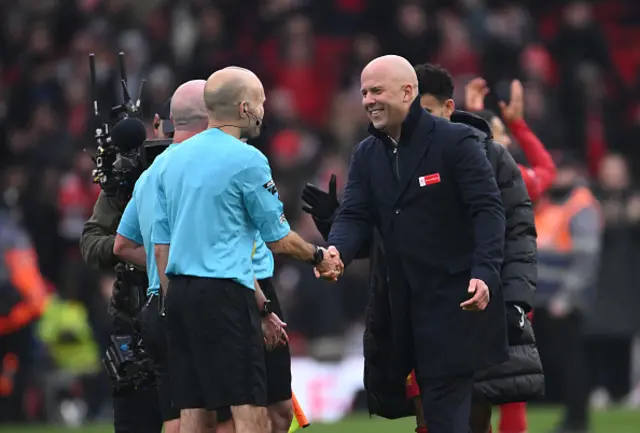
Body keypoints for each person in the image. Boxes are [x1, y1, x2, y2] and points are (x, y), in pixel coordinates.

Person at [303, 63, 544, 433]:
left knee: (447, 415)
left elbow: (490, 210)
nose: (368, 100)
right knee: (437, 417)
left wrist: (485, 273)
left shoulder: (456, 142)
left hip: (458, 303)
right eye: (365, 92)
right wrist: (336, 251)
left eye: (377, 91)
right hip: (399, 310)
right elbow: (354, 215)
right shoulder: (368, 153)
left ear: (406, 92)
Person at [152, 66, 341, 433]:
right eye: (260, 102)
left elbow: (163, 245)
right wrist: (320, 257)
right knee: (249, 405)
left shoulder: (168, 162)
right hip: (225, 294)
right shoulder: (247, 159)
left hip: (178, 295)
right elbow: (278, 238)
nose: (263, 111)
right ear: (243, 108)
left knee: (195, 409)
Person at [114, 81, 294, 433]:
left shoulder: (153, 172)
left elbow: (121, 245)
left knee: (184, 415)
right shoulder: (229, 162)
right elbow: (235, 244)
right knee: (246, 412)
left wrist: (170, 270)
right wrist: (263, 304)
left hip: (166, 298)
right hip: (230, 293)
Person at [80, 110, 165, 433]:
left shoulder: (173, 171)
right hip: (133, 304)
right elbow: (91, 242)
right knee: (133, 404)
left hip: (178, 300)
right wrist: (128, 248)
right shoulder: (118, 189)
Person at [533, 153, 601, 433]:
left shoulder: (581, 206)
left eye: (560, 172)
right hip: (545, 298)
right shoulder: (554, 203)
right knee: (561, 360)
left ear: (573, 172)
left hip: (564, 300)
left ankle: (577, 419)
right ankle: (571, 417)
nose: (555, 178)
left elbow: (587, 258)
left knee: (573, 362)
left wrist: (566, 297)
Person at [464, 77, 557, 203]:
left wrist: (475, 116)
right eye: (501, 134)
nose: (507, 140)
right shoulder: (511, 178)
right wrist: (517, 125)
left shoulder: (452, 174)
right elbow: (547, 170)